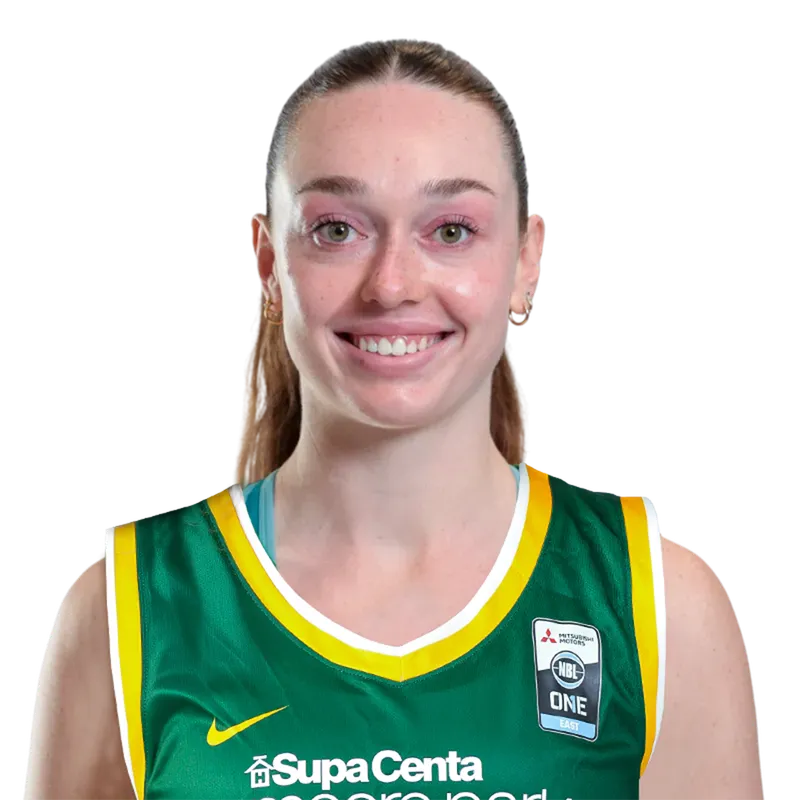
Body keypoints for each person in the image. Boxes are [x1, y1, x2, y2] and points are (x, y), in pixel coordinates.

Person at [25, 39, 762, 799]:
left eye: (452, 230)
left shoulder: (656, 604)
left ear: (527, 261)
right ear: (270, 264)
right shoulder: (128, 611)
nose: (392, 285)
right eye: (337, 230)